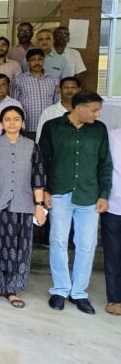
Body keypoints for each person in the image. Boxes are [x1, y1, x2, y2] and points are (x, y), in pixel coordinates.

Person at [40, 91, 112, 315]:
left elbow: (105, 163)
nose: (97, 114)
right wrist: (44, 190)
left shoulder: (99, 130)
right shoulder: (53, 127)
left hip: (89, 195)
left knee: (87, 245)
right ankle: (60, 289)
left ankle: (79, 292)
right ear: (78, 108)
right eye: (94, 110)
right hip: (60, 192)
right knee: (58, 241)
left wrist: (104, 194)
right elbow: (42, 161)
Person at [0, 105, 46, 308]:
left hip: (23, 205)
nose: (12, 123)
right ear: (1, 123)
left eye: (16, 119)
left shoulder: (32, 146)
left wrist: (39, 205)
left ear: (23, 123)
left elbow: (38, 178)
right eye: (7, 119)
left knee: (20, 248)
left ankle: (13, 289)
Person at [11, 49, 59, 140]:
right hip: (28, 127)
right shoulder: (18, 80)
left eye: (40, 59)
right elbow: (14, 105)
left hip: (48, 126)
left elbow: (57, 104)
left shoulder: (54, 80)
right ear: (27, 62)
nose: (37, 62)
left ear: (44, 61)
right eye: (33, 60)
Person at [105, 127, 121, 315]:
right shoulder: (113, 135)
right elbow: (103, 166)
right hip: (113, 204)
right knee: (113, 254)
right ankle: (115, 298)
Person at [36, 77, 81, 142]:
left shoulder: (85, 111)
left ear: (79, 90)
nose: (70, 90)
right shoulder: (48, 112)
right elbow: (40, 136)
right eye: (66, 87)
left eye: (73, 88)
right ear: (59, 90)